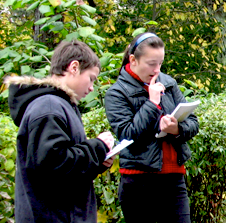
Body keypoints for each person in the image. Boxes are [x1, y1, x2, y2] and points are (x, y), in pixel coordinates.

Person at [6, 40, 115, 222]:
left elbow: (66, 170)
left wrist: (97, 161)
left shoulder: (60, 105)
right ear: (74, 67)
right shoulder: (48, 107)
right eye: (91, 78)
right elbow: (53, 167)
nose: (91, 88)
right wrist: (97, 147)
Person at [104, 33, 199, 223]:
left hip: (174, 179)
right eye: (151, 63)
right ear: (133, 60)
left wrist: (176, 130)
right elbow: (128, 135)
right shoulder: (116, 93)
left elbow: (193, 123)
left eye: (160, 64)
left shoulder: (168, 83)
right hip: (138, 182)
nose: (157, 70)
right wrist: (152, 103)